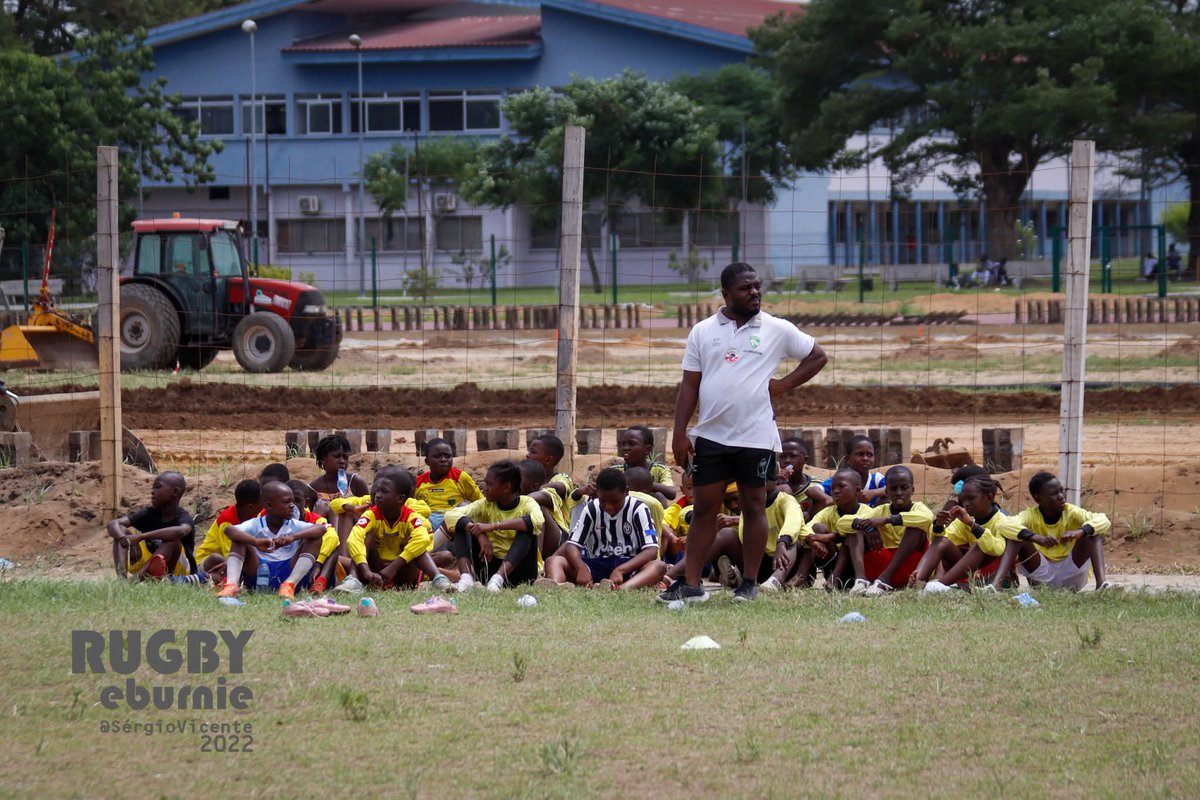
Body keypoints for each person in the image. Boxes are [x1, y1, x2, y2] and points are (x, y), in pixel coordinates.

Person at [663, 261, 827, 604]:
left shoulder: (776, 328)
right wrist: (679, 433)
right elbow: (689, 385)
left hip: (756, 438)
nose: (754, 293)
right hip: (710, 437)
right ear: (726, 294)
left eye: (757, 286)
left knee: (754, 507)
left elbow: (817, 356)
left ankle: (749, 584)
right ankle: (692, 585)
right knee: (705, 509)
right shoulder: (703, 331)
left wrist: (782, 385)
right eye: (745, 288)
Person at [541, 467, 667, 590]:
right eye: (603, 501)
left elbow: (651, 550)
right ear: (597, 494)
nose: (608, 506)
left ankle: (620, 589)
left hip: (630, 567)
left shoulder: (639, 509)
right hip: (596, 565)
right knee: (554, 561)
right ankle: (557, 587)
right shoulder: (591, 508)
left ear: (626, 492)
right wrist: (581, 568)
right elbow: (572, 545)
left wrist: (620, 570)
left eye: (614, 501)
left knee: (658, 566)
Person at [990, 472, 1115, 591]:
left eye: (1061, 490)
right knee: (1016, 537)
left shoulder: (1071, 512)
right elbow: (1003, 524)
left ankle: (1101, 584)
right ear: (1038, 498)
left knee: (1093, 534)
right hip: (1042, 577)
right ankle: (996, 585)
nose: (1061, 496)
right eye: (1054, 493)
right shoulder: (1030, 515)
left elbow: (1103, 520)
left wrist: (1080, 532)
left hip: (1072, 575)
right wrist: (1036, 538)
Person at [217, 481, 330, 599]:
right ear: (269, 505)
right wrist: (255, 542)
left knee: (314, 539)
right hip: (258, 573)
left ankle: (290, 585)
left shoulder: (294, 525)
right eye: (287, 502)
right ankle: (231, 585)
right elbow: (229, 530)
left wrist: (292, 537)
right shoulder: (256, 524)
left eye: (292, 501)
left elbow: (321, 528)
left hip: (287, 572)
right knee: (239, 539)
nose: (292, 505)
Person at [444, 460, 544, 592]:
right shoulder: (485, 504)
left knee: (527, 529)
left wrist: (492, 526)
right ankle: (466, 579)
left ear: (506, 487)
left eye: (489, 484)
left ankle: (498, 579)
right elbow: (450, 515)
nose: (484, 488)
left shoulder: (526, 503)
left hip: (521, 572)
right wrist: (479, 534)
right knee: (461, 523)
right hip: (488, 569)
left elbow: (538, 521)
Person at [919, 475, 1022, 592]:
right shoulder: (964, 521)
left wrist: (973, 526)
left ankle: (940, 585)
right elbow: (941, 541)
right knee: (941, 540)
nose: (965, 504)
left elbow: (996, 549)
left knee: (981, 544)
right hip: (972, 574)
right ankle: (916, 581)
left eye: (971, 498)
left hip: (995, 576)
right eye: (963, 499)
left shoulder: (1003, 521)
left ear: (989, 497)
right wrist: (938, 525)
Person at [347, 471, 446, 591]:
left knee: (417, 544)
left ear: (400, 499)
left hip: (403, 571)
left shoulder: (411, 517)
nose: (377, 495)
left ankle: (439, 579)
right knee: (364, 538)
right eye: (377, 491)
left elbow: (423, 539)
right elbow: (353, 538)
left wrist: (394, 566)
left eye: (384, 491)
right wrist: (365, 570)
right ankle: (352, 580)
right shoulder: (371, 514)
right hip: (375, 572)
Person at [842, 465, 933, 595]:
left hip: (910, 569)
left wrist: (887, 520)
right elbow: (842, 523)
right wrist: (868, 528)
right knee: (853, 530)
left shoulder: (919, 508)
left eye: (904, 487)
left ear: (912, 490)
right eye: (893, 489)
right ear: (887, 491)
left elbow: (927, 518)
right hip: (881, 565)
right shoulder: (879, 510)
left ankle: (884, 579)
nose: (899, 492)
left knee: (916, 528)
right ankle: (861, 580)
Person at [791, 469, 873, 589]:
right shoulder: (827, 512)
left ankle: (858, 580)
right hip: (832, 563)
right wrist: (813, 541)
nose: (835, 491)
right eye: (833, 488)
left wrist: (830, 536)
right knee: (817, 528)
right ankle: (800, 577)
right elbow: (806, 529)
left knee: (852, 530)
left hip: (859, 566)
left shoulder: (868, 512)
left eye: (841, 486)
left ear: (858, 491)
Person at [107, 471, 195, 580]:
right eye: (152, 488)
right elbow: (113, 524)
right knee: (120, 529)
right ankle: (122, 579)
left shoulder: (183, 517)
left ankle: (134, 581)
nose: (152, 492)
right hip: (149, 563)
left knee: (173, 541)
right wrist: (123, 539)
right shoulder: (149, 513)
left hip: (177, 570)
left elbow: (181, 531)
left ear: (175, 492)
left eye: (158, 487)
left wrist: (140, 537)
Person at [195, 479, 262, 586]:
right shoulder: (227, 521)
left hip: (228, 564)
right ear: (251, 507)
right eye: (261, 504)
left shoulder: (255, 515)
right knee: (217, 559)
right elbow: (231, 555)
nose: (263, 508)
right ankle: (203, 577)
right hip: (209, 562)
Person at [415, 438, 483, 541]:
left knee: (464, 507)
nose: (443, 459)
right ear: (427, 461)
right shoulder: (419, 482)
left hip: (454, 524)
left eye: (448, 456)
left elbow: (480, 502)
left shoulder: (460, 477)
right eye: (437, 456)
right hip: (429, 525)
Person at [518, 459, 566, 558]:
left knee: (536, 510)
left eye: (519, 479)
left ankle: (536, 563)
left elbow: (533, 498)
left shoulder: (550, 492)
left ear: (534, 486)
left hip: (559, 545)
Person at [613, 425, 676, 500]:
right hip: (625, 509)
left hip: (651, 509)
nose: (625, 448)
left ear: (647, 449)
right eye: (623, 444)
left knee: (659, 496)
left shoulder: (659, 469)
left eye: (632, 444)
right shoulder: (615, 471)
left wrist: (645, 484)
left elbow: (672, 493)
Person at [821, 435, 886, 506]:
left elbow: (890, 488)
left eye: (870, 455)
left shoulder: (876, 479)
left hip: (873, 516)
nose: (865, 458)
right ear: (848, 458)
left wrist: (874, 493)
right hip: (845, 516)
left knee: (887, 497)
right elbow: (813, 490)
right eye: (860, 454)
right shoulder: (841, 479)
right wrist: (827, 498)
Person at [526, 434, 578, 521]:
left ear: (548, 460)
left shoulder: (561, 478)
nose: (527, 455)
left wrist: (542, 488)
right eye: (529, 451)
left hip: (558, 531)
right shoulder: (528, 478)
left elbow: (561, 486)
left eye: (533, 452)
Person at [777, 437, 830, 520]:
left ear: (805, 460)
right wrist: (778, 484)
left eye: (793, 456)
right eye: (782, 456)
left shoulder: (817, 485)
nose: (787, 460)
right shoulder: (773, 486)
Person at [660, 472, 693, 563]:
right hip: (681, 553)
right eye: (689, 488)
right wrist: (672, 537)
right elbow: (661, 522)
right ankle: (657, 561)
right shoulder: (678, 507)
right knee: (666, 532)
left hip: (706, 551)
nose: (694, 492)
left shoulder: (713, 505)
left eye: (699, 487)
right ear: (682, 489)